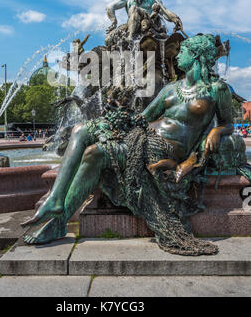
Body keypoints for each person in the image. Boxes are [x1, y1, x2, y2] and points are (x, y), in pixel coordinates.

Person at [22, 34, 233, 255]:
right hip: (140, 136)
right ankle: (55, 201)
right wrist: (119, 115)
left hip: (163, 148)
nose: (179, 54)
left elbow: (228, 123)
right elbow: (143, 117)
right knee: (80, 129)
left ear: (196, 56)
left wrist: (218, 131)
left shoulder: (217, 89)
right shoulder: (171, 88)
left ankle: (59, 218)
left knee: (95, 153)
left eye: (184, 51)